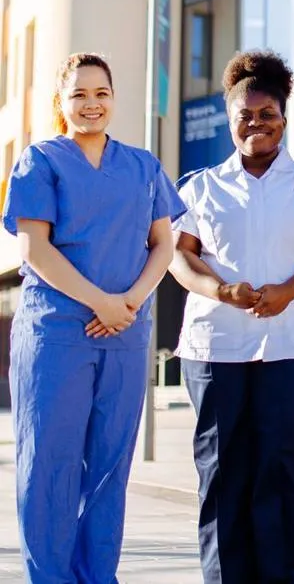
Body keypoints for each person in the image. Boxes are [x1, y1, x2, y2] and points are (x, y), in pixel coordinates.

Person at [170, 50, 294, 584]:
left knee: (283, 470)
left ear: (283, 117)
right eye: (245, 115)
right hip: (216, 349)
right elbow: (178, 256)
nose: (257, 123)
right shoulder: (200, 186)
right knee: (221, 471)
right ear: (230, 120)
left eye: (268, 113)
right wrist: (220, 290)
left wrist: (290, 291)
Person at [2, 52, 185, 584]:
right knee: (48, 471)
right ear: (62, 102)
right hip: (56, 334)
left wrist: (127, 303)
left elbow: (163, 246)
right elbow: (34, 248)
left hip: (124, 336)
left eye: (101, 93)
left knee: (110, 470)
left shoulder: (144, 166)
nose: (91, 104)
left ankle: (97, 577)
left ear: (114, 98)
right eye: (79, 94)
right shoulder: (41, 161)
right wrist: (101, 302)